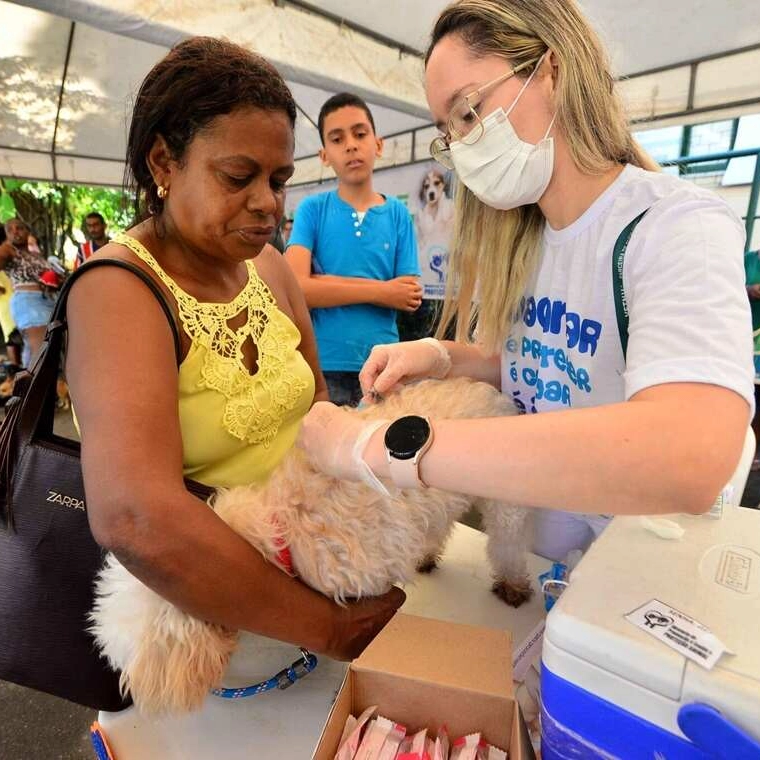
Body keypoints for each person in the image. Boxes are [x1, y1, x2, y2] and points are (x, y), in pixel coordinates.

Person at [298, 0, 753, 562]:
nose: (462, 145)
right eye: (447, 132)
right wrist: (442, 356)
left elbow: (690, 454)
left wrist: (382, 445)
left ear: (551, 72)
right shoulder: (528, 241)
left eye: (468, 112)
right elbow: (548, 363)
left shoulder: (676, 225)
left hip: (635, 574)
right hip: (546, 562)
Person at [64, 37, 404, 751]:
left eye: (278, 181)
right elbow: (134, 517)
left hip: (324, 600)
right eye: (238, 176)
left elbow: (317, 413)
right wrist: (327, 625)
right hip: (216, 637)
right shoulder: (120, 290)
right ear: (164, 164)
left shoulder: (271, 269)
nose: (267, 205)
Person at [285, 92, 422, 406]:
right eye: (337, 138)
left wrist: (321, 283)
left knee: (376, 452)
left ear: (378, 144)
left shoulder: (398, 213)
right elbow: (295, 290)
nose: (350, 145)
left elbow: (409, 294)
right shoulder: (312, 209)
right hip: (322, 365)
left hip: (384, 365)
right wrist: (380, 291)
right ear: (323, 155)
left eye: (360, 134)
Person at [0, 218, 55, 368]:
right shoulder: (8, 250)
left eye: (19, 228)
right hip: (28, 302)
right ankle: (33, 389)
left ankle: (31, 387)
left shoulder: (36, 256)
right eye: (10, 230)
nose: (15, 232)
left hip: (50, 302)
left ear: (27, 231)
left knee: (49, 352)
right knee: (41, 355)